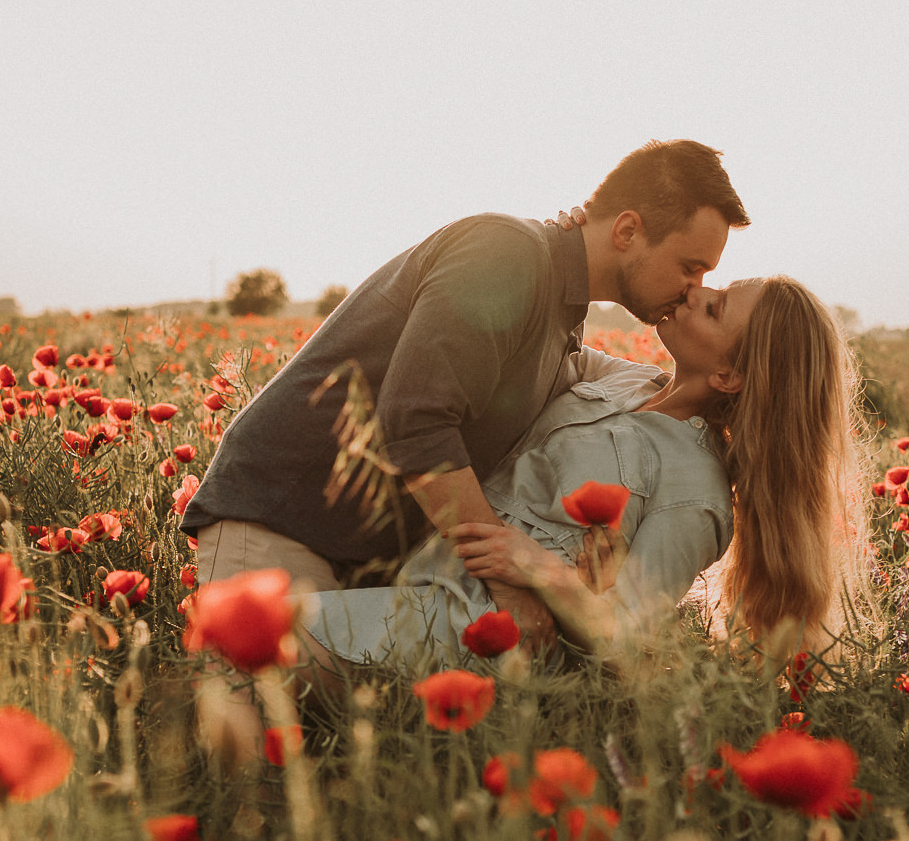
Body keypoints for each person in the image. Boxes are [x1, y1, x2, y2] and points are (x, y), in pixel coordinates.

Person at [180, 140, 750, 650]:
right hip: (282, 528)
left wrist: (586, 571)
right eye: (690, 266)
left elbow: (653, 397)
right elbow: (415, 423)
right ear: (627, 231)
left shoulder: (563, 314)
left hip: (374, 569)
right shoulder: (507, 255)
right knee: (247, 741)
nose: (693, 288)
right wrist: (508, 578)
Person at [300, 275, 856, 668]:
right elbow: (540, 345)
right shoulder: (625, 380)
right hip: (412, 576)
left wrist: (545, 572)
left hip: (474, 636)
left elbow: (627, 644)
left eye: (715, 308)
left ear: (730, 376)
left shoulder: (694, 494)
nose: (698, 290)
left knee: (244, 648)